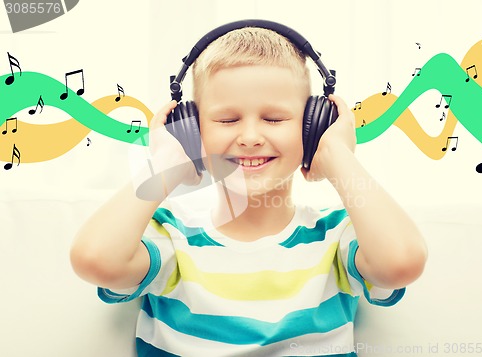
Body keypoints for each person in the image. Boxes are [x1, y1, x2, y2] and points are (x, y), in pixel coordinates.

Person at [70, 24, 427, 357]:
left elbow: (401, 262)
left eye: (273, 119)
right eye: (227, 120)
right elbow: (95, 259)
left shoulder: (335, 238)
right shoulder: (172, 240)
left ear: (311, 129)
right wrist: (165, 165)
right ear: (190, 131)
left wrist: (336, 155)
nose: (251, 137)